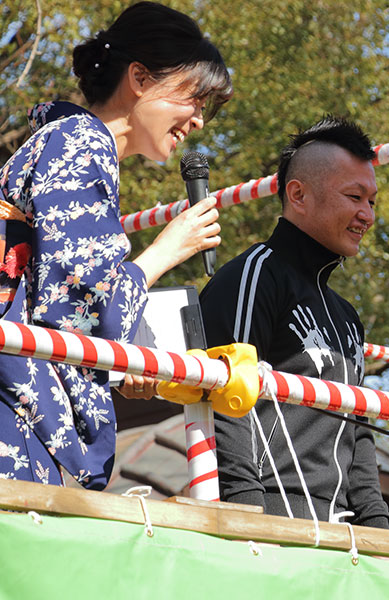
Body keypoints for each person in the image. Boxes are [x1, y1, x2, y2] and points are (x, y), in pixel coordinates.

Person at [0, 2, 231, 489]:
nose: (198, 121)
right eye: (193, 99)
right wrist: (167, 251)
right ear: (140, 79)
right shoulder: (80, 143)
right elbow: (75, 307)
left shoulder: (69, 141)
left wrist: (124, 362)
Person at [202, 116, 389, 529]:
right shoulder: (254, 274)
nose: (367, 215)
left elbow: (358, 433)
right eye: (355, 196)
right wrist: (249, 517)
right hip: (270, 520)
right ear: (298, 194)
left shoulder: (347, 315)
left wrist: (379, 530)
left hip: (342, 533)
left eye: (372, 202)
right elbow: (226, 402)